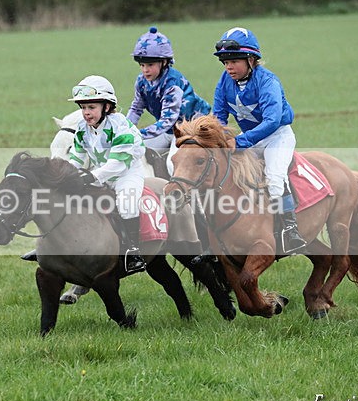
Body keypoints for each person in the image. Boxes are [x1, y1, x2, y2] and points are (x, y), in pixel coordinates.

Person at [211, 27, 308, 254]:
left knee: (274, 178)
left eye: (234, 61)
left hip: (276, 136)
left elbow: (272, 121)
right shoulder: (224, 81)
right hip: (250, 139)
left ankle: (290, 230)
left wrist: (241, 141)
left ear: (251, 59)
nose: (228, 67)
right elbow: (218, 116)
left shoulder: (268, 81)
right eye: (225, 62)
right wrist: (220, 138)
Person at [66, 75, 148, 274]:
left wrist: (90, 177)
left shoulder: (120, 125)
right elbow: (76, 158)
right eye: (83, 108)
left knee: (126, 203)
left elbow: (117, 164)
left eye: (91, 107)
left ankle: (133, 252)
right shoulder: (82, 129)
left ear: (107, 106)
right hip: (100, 174)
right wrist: (66, 175)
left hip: (126, 174)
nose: (86, 113)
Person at [127, 27, 211, 176]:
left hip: (190, 129)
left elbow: (167, 120)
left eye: (150, 65)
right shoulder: (141, 81)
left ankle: (189, 198)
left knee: (173, 165)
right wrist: (125, 129)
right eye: (142, 65)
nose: (145, 70)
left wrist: (138, 134)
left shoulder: (173, 82)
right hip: (170, 129)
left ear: (164, 62)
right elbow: (136, 108)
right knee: (135, 150)